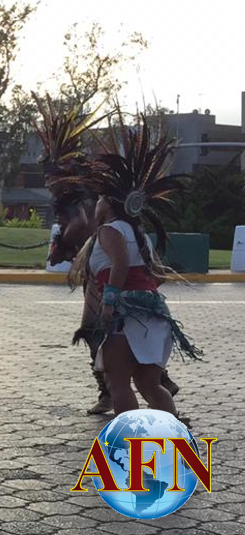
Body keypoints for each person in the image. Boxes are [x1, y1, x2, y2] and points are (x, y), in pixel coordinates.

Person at [74, 116, 200, 423]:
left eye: (100, 199)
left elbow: (119, 264)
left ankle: (130, 442)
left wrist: (109, 302)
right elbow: (150, 272)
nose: (96, 204)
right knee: (149, 383)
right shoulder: (138, 232)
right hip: (153, 312)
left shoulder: (109, 230)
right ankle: (172, 439)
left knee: (119, 382)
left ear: (110, 204)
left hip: (128, 313)